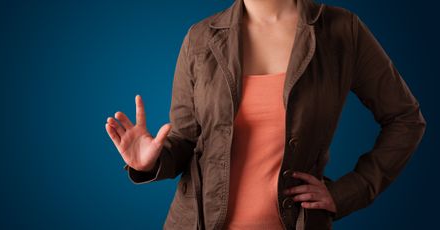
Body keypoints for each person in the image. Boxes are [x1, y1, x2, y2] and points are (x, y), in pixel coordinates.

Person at [105, 0, 426, 229]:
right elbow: (185, 141)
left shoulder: (342, 32)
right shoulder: (200, 38)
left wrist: (348, 192)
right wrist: (152, 162)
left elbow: (406, 119)